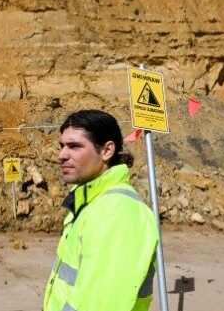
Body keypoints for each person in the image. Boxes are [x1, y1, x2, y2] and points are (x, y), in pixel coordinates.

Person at [42, 110, 160, 311]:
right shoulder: (90, 202)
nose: (61, 155)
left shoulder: (117, 211)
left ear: (107, 150)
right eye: (62, 146)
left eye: (74, 146)